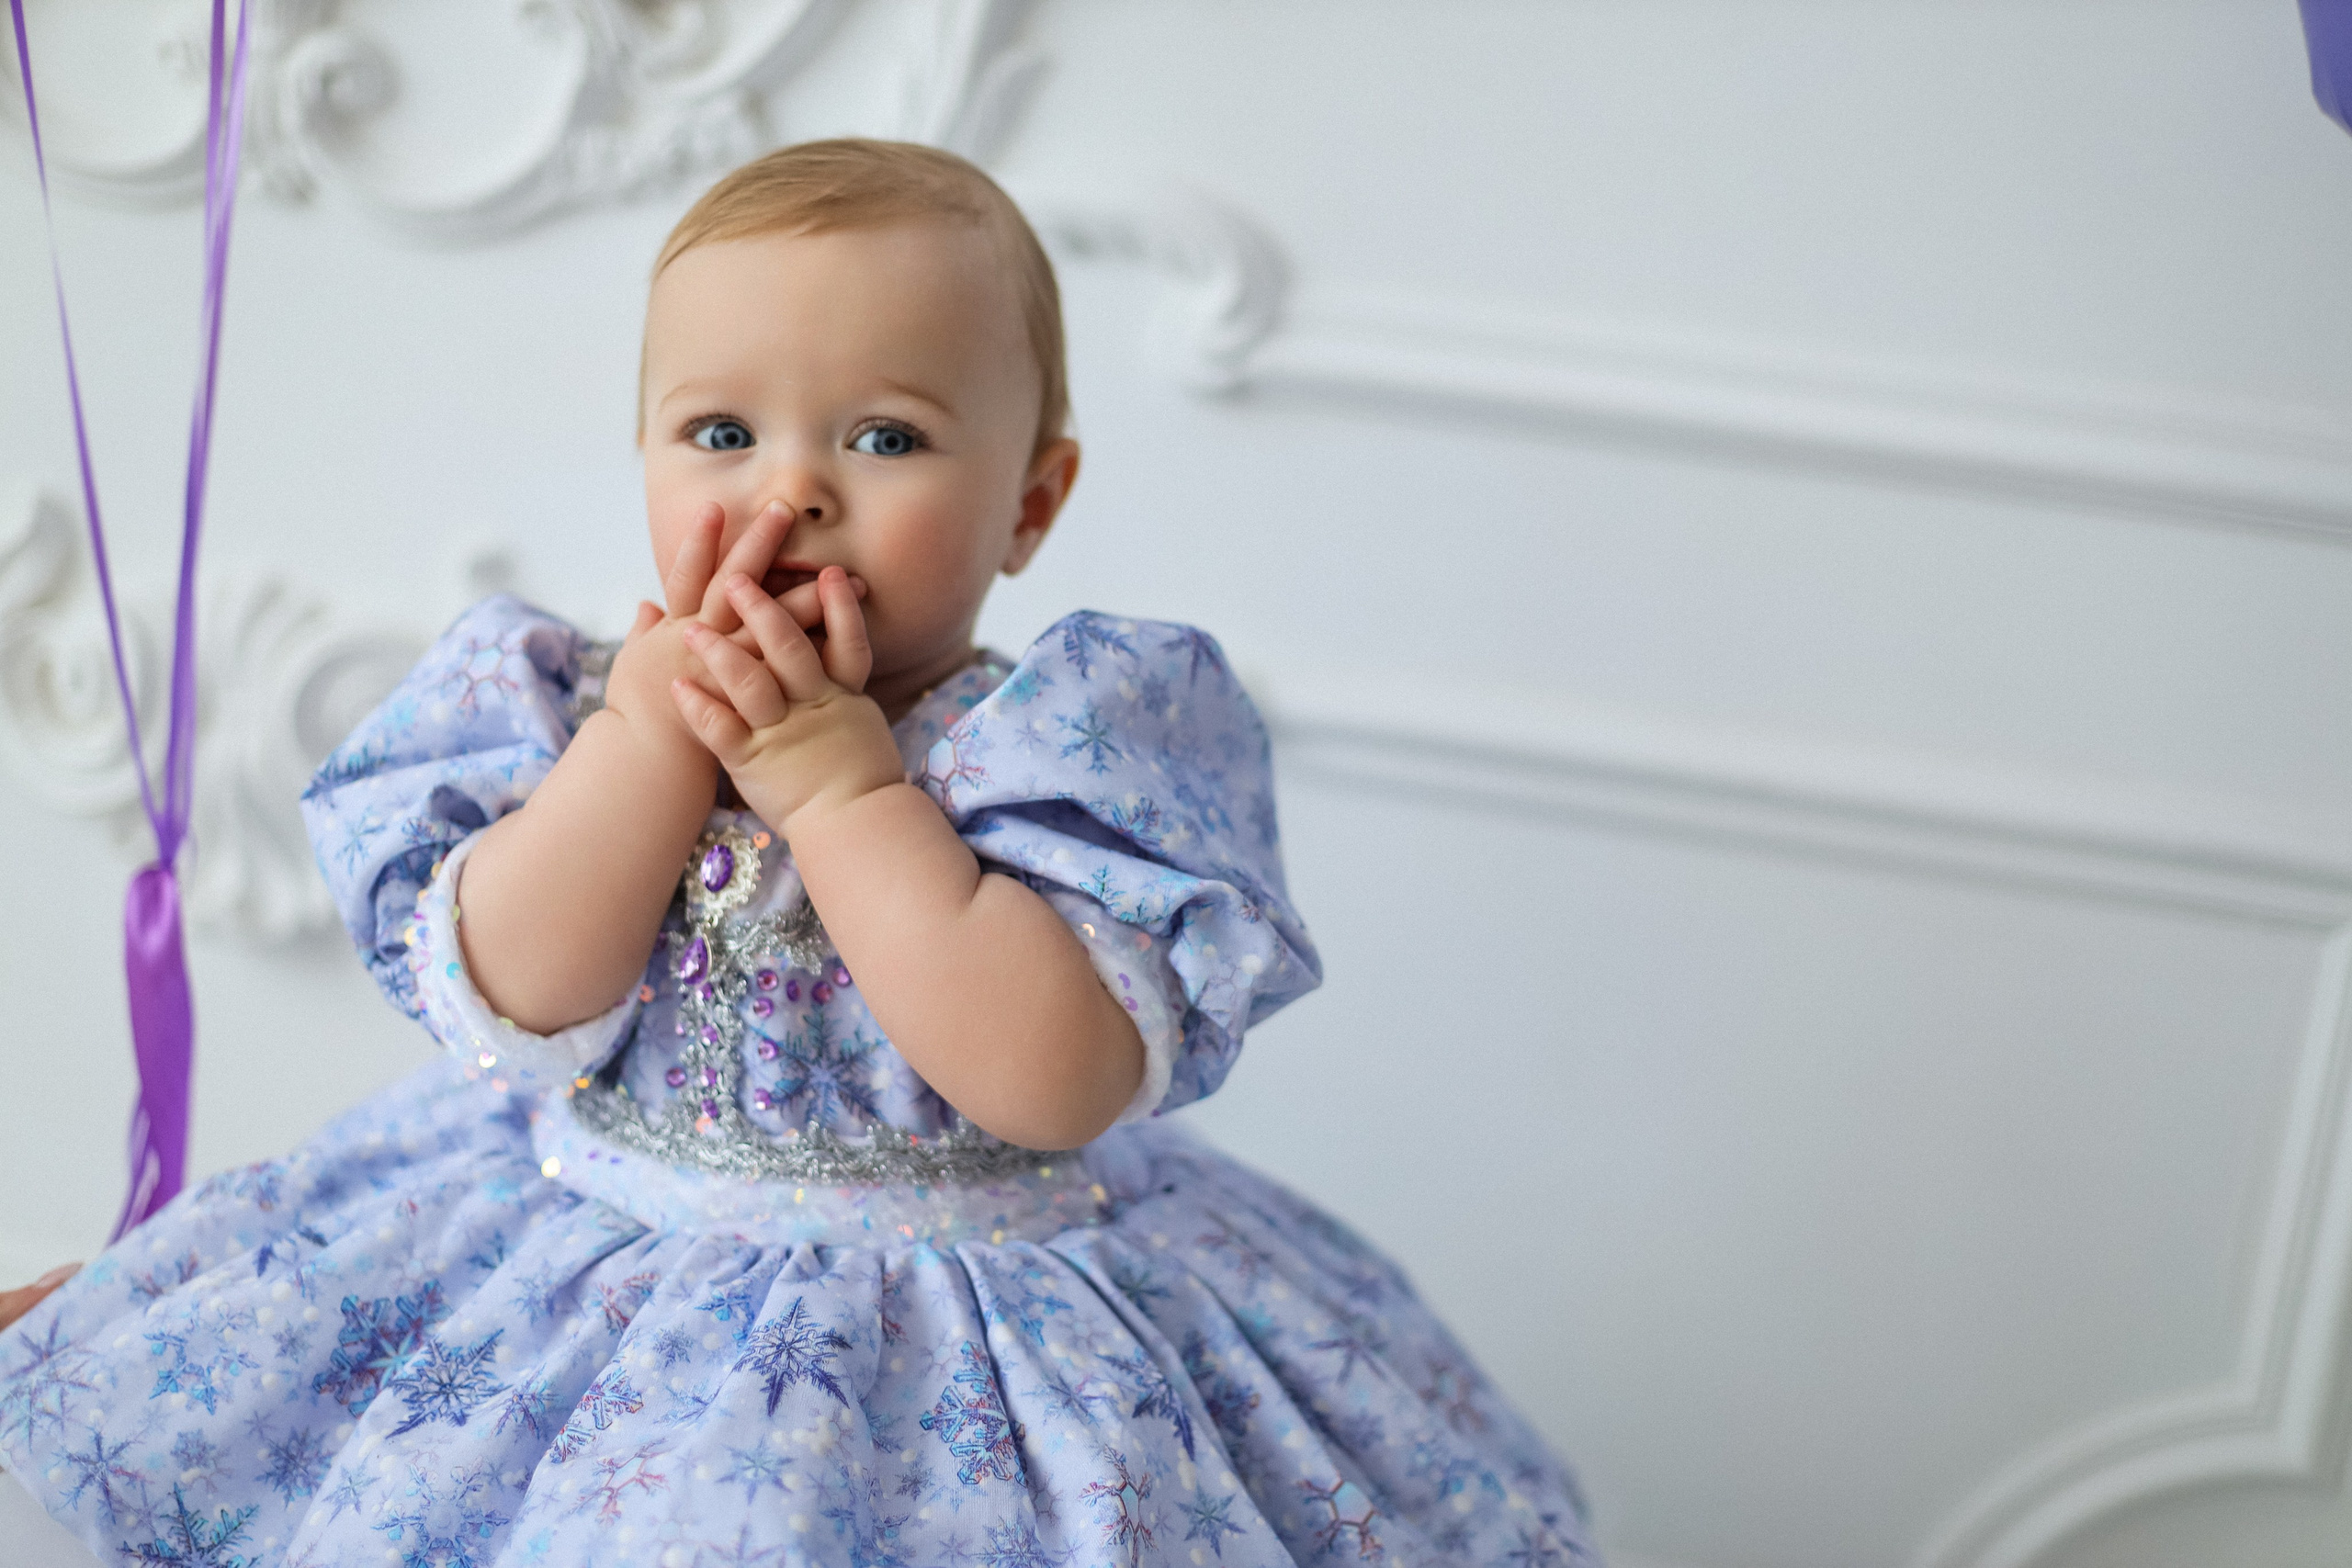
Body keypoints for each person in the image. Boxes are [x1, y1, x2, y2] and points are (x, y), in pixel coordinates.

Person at [0, 139, 1599, 1567]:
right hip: (585, 1274)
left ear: (1030, 505)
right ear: (642, 458)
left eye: (887, 439)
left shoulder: (1060, 755)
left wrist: (843, 798)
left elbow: (1052, 1083)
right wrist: (644, 749)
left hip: (964, 1325)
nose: (792, 491)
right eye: (717, 429)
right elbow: (510, 1004)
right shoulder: (565, 714)